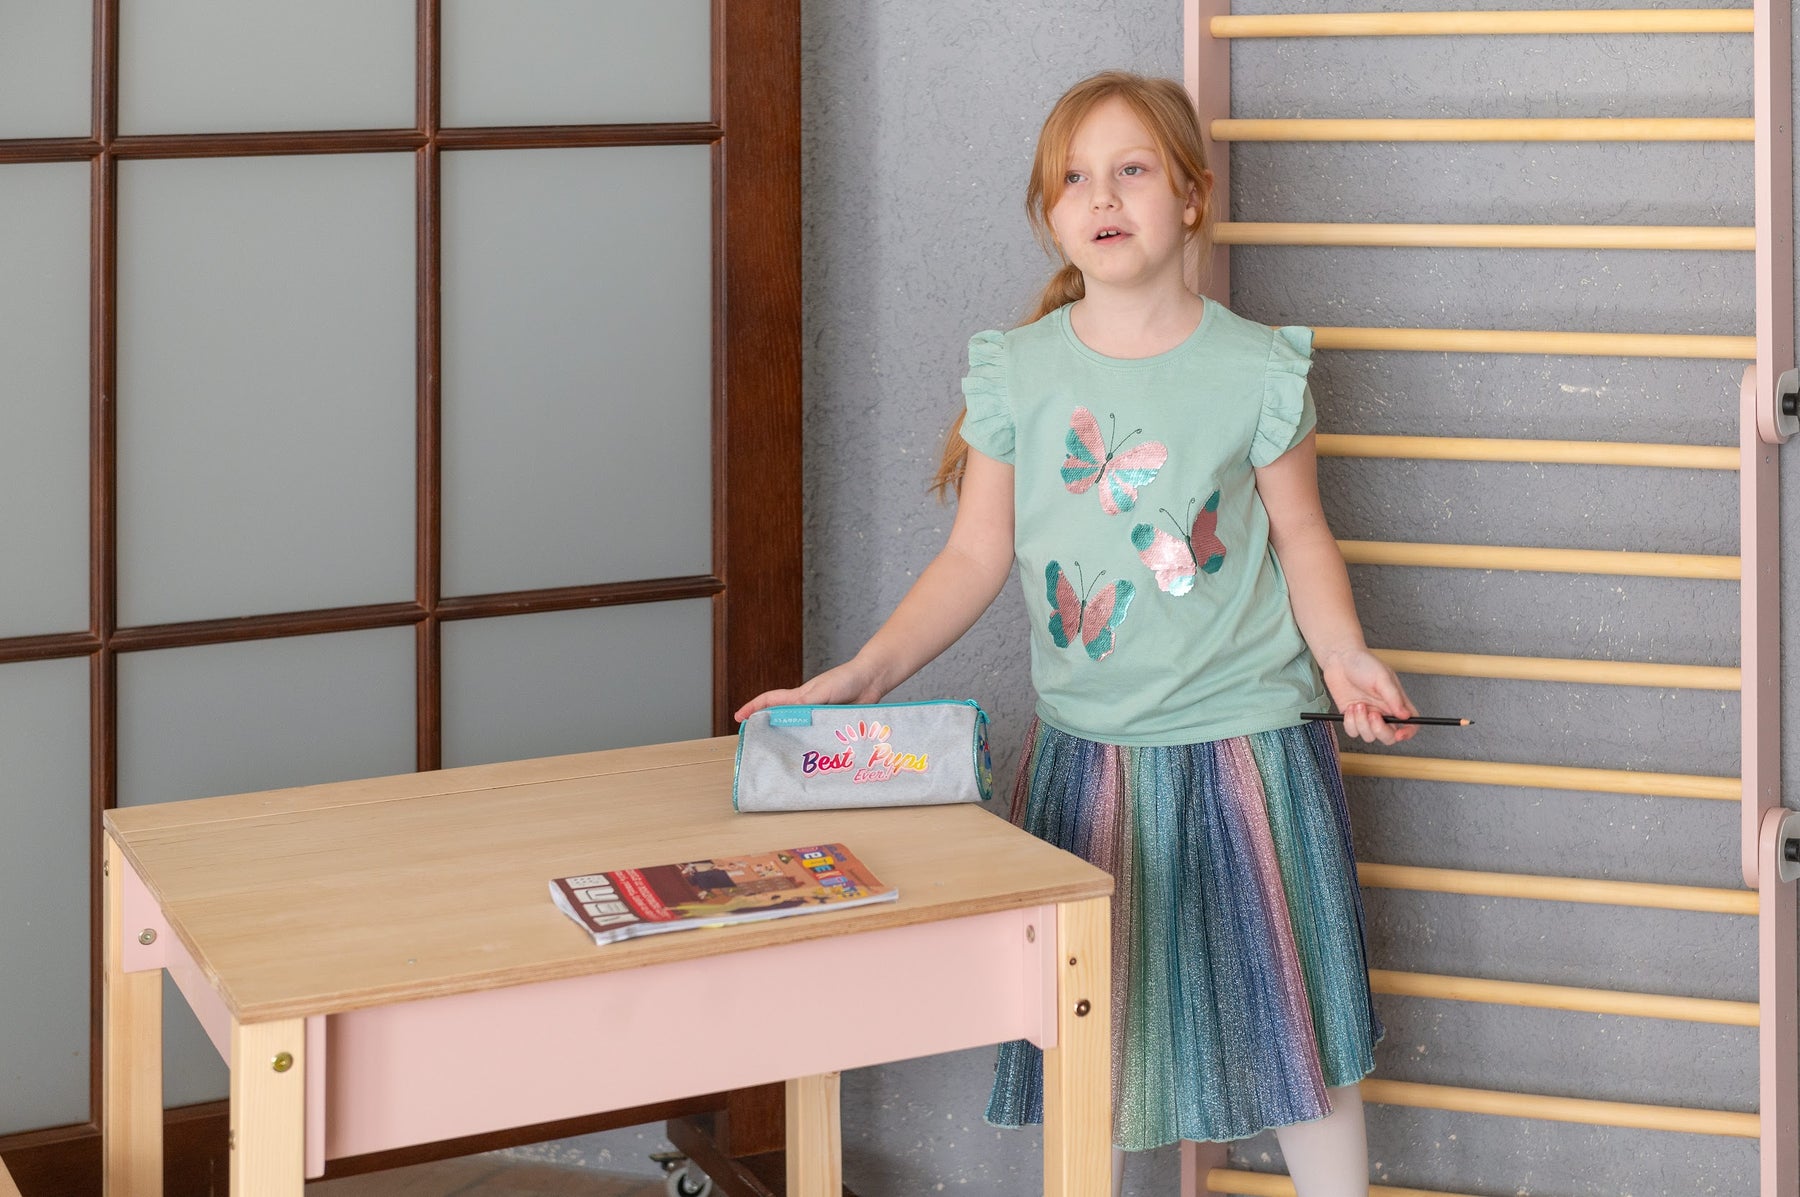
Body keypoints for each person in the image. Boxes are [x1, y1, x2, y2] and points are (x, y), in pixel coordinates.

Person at [736, 70, 1416, 1197]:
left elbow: (1303, 538)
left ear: (1191, 197)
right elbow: (973, 556)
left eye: (1131, 169)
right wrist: (865, 671)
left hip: (1251, 749)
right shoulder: (1017, 370)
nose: (1101, 195)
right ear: (1049, 214)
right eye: (1073, 178)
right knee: (1089, 1041)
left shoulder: (1259, 368)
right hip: (1087, 761)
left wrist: (1344, 657)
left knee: (1298, 1039)